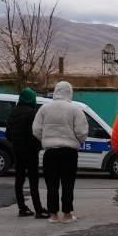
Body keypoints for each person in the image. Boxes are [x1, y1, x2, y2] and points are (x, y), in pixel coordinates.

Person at [32, 80, 88, 223]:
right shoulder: (75, 109)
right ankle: (67, 214)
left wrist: (46, 139)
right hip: (69, 152)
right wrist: (77, 141)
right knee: (68, 184)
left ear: (56, 91)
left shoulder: (44, 109)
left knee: (52, 185)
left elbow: (36, 130)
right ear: (70, 92)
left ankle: (53, 215)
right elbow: (82, 131)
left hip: (50, 152)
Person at [5, 87, 48, 219]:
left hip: (17, 151)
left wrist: (16, 143)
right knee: (33, 180)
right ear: (32, 99)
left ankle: (22, 208)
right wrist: (39, 145)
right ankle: (39, 210)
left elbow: (8, 134)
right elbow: (37, 133)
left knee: (19, 179)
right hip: (31, 151)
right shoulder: (32, 113)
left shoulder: (13, 112)